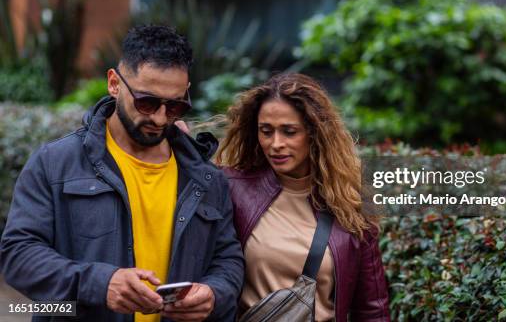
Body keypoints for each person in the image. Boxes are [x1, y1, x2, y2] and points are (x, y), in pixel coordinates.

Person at [0, 25, 244, 322]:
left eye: (175, 106)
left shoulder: (206, 178)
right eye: (147, 102)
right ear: (114, 83)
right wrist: (99, 285)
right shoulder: (54, 164)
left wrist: (214, 294)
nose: (159, 117)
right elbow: (17, 255)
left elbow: (228, 259)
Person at [216, 72, 390, 321]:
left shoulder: (350, 205)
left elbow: (372, 308)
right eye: (266, 131)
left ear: (315, 133)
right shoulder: (234, 189)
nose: (276, 144)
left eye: (289, 131)